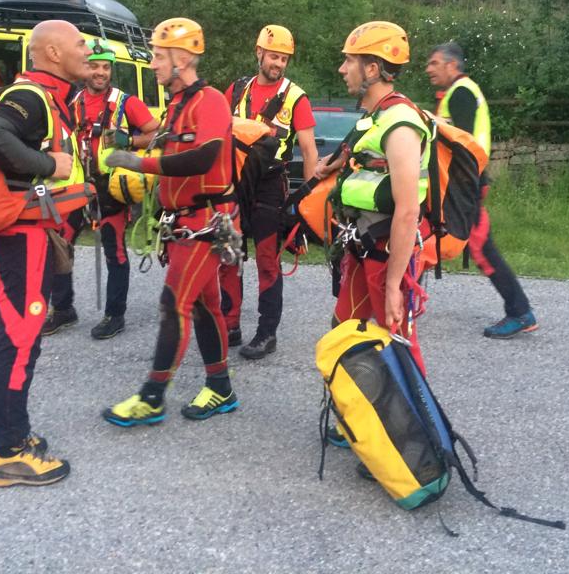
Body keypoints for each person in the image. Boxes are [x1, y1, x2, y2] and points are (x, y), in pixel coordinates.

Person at [0, 19, 91, 487]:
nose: (87, 51)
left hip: (13, 237)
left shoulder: (50, 98)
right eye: (79, 43)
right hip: (21, 239)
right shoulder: (31, 96)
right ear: (53, 53)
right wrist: (48, 164)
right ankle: (11, 452)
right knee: (19, 342)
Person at [101, 17, 239, 426]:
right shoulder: (176, 105)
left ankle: (152, 397)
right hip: (184, 221)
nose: (153, 64)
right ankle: (220, 387)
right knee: (205, 305)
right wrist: (129, 143)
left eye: (160, 57)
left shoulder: (210, 101)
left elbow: (204, 157)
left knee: (173, 303)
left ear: (182, 59)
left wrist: (138, 162)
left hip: (207, 222)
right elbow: (168, 146)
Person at [315, 21, 432, 372]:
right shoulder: (375, 116)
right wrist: (332, 164)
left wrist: (394, 285)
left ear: (371, 69)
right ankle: (352, 405)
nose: (342, 69)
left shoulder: (401, 123)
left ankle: (412, 411)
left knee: (399, 349)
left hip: (386, 254)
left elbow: (408, 211)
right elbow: (359, 157)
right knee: (344, 335)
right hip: (361, 246)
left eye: (349, 61)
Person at [42, 42, 160, 339]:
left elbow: (157, 134)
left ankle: (114, 315)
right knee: (59, 244)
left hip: (109, 190)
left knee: (114, 250)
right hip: (75, 187)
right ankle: (63, 309)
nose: (100, 72)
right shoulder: (71, 102)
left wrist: (129, 141)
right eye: (94, 66)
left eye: (106, 67)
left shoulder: (126, 103)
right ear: (85, 68)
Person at [425, 41, 538, 339]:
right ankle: (404, 298)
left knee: (480, 248)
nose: (428, 69)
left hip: (466, 184)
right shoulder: (460, 91)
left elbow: (462, 142)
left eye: (434, 63)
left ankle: (520, 312)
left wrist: (429, 122)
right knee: (430, 233)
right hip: (467, 182)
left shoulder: (461, 92)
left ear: (451, 65)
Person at [219, 25, 317, 359]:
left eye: (284, 59)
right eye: (274, 56)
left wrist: (306, 202)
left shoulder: (296, 97)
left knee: (266, 261)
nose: (279, 64)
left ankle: (266, 333)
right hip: (235, 182)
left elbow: (309, 151)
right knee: (228, 256)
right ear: (259, 52)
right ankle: (230, 324)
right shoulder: (237, 90)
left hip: (271, 185)